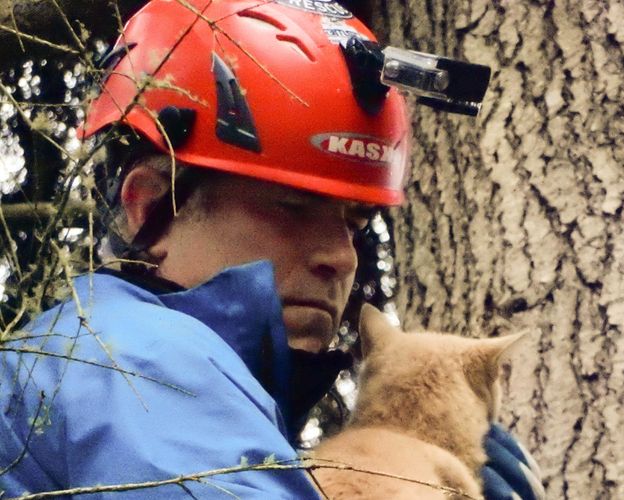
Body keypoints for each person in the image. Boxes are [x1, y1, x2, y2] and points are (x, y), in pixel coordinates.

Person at [0, 0, 544, 498]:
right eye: (292, 207)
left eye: (356, 223)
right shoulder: (136, 357)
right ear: (148, 205)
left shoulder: (98, 365)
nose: (344, 257)